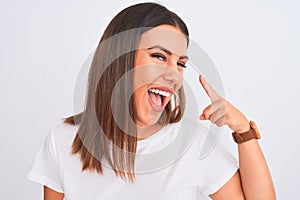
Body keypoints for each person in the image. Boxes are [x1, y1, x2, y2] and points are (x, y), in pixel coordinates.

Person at [27, 2, 276, 200]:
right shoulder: (63, 141)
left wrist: (243, 129)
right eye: (159, 56)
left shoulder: (192, 143)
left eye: (180, 64)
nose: (174, 75)